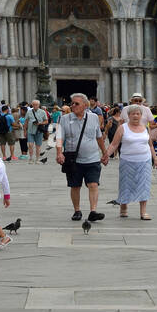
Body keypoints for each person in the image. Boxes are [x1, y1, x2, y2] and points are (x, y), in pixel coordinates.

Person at [55, 92, 109, 222]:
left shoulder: (94, 117)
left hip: (92, 157)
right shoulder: (64, 119)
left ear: (85, 105)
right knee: (75, 186)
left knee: (93, 184)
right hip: (73, 159)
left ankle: (93, 211)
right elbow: (58, 137)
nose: (73, 105)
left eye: (76, 103)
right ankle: (77, 210)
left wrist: (104, 152)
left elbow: (98, 136)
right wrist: (59, 152)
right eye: (72, 103)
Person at [107, 104, 154, 220]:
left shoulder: (145, 127)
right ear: (128, 116)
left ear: (141, 116)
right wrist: (106, 155)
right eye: (133, 114)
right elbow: (114, 144)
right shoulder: (122, 127)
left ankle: (143, 212)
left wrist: (155, 158)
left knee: (144, 185)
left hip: (145, 160)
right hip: (127, 160)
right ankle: (123, 208)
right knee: (125, 185)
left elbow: (150, 145)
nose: (135, 116)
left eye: (138, 114)